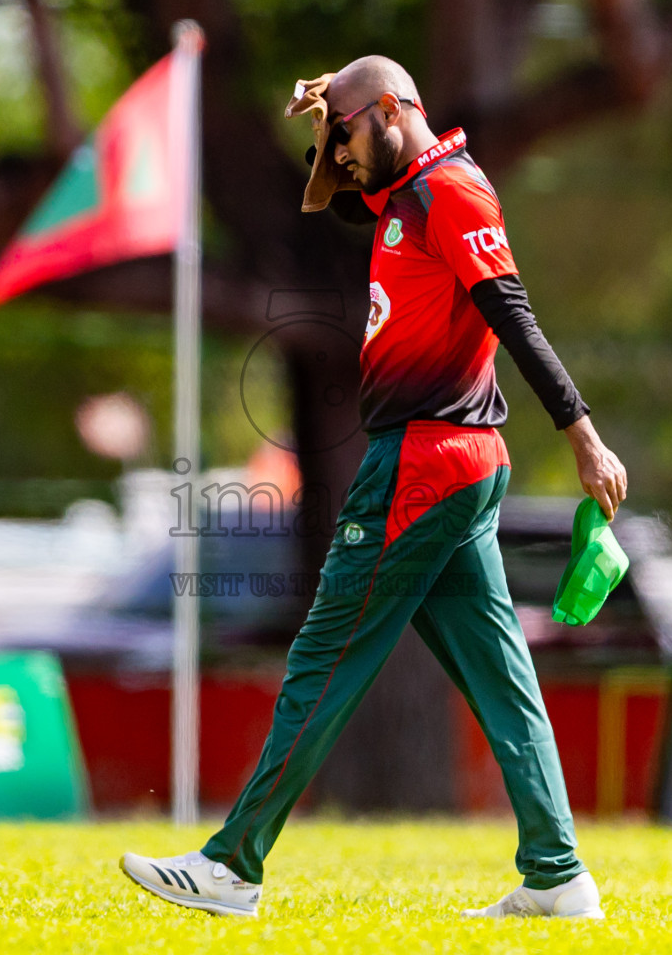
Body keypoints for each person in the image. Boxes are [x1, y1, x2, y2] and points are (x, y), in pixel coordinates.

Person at [120, 56, 628, 920]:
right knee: (500, 673)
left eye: (347, 136)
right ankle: (557, 873)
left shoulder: (450, 192)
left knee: (324, 655)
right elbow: (346, 194)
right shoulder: (405, 195)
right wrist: (332, 108)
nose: (339, 156)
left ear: (393, 111)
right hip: (453, 465)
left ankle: (232, 865)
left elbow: (512, 311)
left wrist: (581, 432)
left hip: (424, 464)